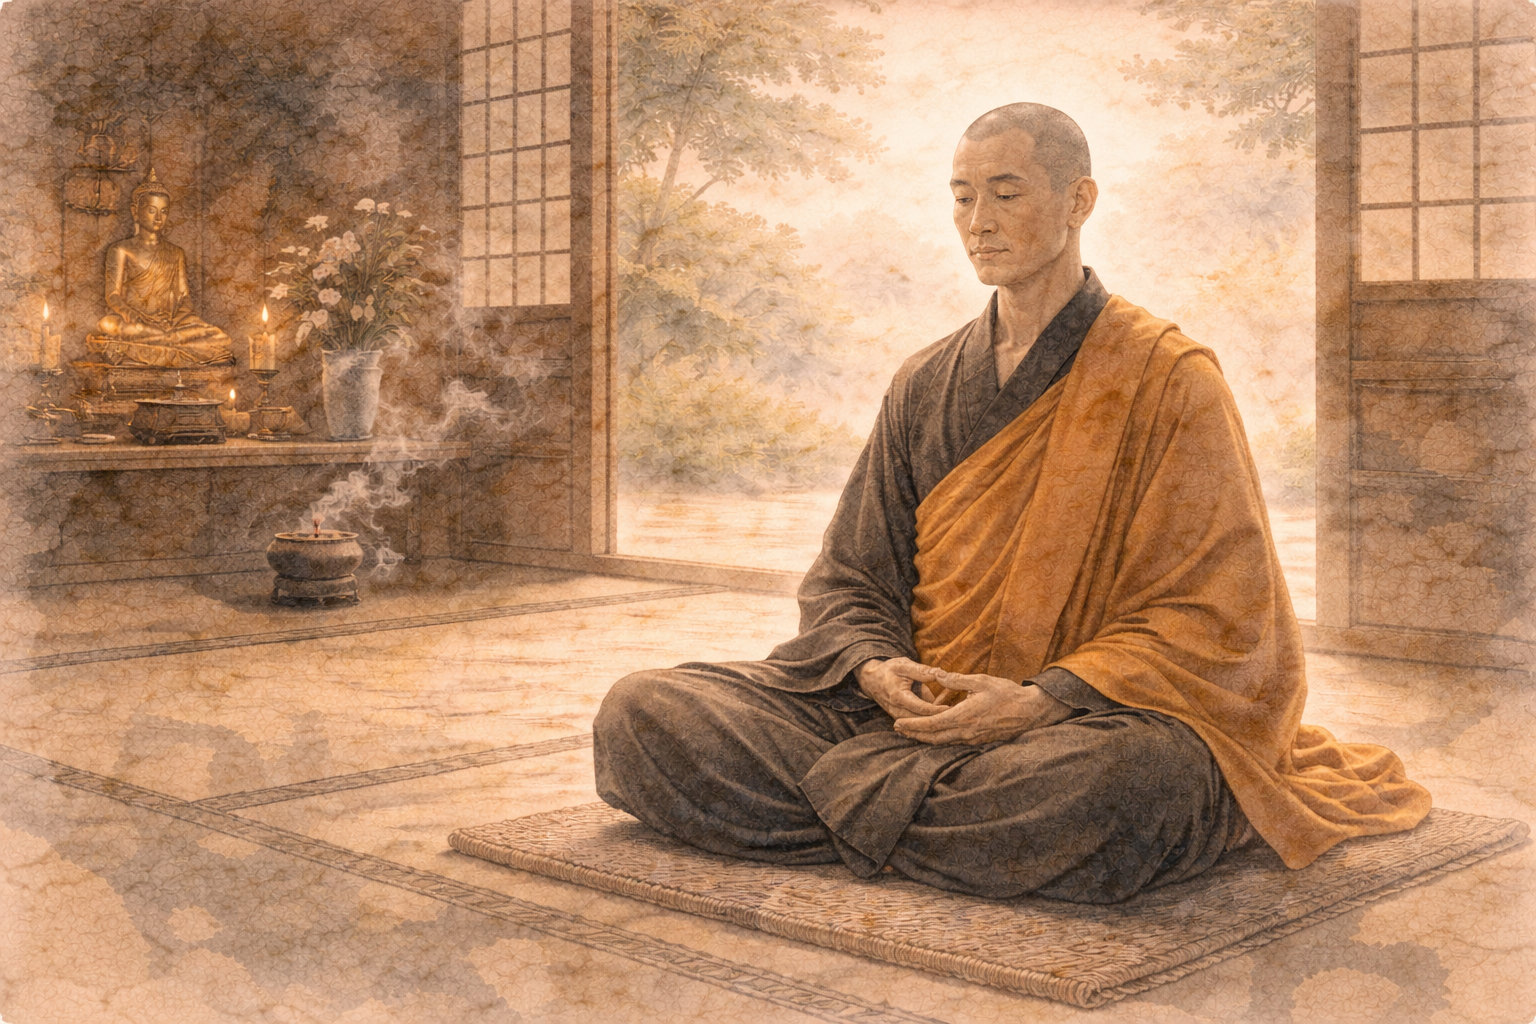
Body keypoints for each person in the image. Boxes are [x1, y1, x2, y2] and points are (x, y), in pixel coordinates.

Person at [593, 103, 1431, 903]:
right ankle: (937, 826)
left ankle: (851, 813)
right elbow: (851, 577)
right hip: (913, 717)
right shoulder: (925, 383)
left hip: (1076, 725)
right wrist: (882, 674)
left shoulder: (1168, 378)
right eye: (961, 197)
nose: (978, 222)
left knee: (1130, 788)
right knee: (642, 713)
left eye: (1006, 192)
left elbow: (1220, 619)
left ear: (1079, 201)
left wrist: (1042, 699)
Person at [86, 169, 235, 368]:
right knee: (109, 324)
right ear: (135, 211)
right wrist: (131, 314)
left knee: (219, 337)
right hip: (136, 322)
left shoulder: (176, 253)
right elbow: (113, 295)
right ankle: (173, 342)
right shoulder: (121, 249)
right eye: (151, 210)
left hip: (171, 324)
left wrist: (175, 321)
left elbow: (184, 297)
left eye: (164, 211)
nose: (158, 217)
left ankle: (167, 339)